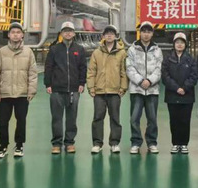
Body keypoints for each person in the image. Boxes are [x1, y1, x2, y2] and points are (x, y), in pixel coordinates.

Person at [0, 22, 38, 159]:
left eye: (18, 32)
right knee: (3, 122)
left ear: (22, 35)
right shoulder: (1, 52)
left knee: (21, 121)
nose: (15, 35)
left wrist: (31, 91)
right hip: (4, 94)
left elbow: (32, 73)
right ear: (8, 35)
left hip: (22, 93)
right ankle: (3, 146)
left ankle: (19, 145)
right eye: (13, 32)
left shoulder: (28, 52)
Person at [44, 21, 87, 154]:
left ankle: (69, 142)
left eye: (70, 31)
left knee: (71, 118)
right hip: (57, 89)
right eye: (65, 31)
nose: (68, 33)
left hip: (74, 89)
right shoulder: (54, 49)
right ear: (61, 33)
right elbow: (48, 67)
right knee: (56, 118)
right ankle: (56, 143)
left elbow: (83, 68)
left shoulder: (79, 49)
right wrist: (48, 84)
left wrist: (81, 83)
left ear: (74, 33)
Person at [87, 25, 128, 154]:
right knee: (98, 118)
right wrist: (91, 87)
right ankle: (97, 143)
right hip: (99, 91)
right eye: (107, 33)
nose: (109, 35)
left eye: (112, 33)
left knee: (115, 118)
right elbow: (91, 71)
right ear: (103, 36)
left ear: (116, 36)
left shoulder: (122, 53)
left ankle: (114, 143)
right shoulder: (96, 53)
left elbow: (124, 71)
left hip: (115, 91)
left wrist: (123, 87)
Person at [126, 21, 163, 154]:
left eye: (149, 32)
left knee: (152, 119)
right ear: (140, 33)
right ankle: (136, 142)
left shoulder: (157, 50)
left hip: (152, 90)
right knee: (134, 118)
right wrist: (141, 81)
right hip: (136, 89)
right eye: (144, 31)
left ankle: (151, 143)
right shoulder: (132, 49)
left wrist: (150, 81)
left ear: (152, 34)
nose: (146, 34)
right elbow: (129, 68)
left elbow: (159, 68)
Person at [162, 32, 198, 154]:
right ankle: (175, 143)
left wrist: (184, 88)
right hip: (172, 95)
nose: (179, 44)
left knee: (185, 120)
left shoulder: (191, 59)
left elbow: (194, 76)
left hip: (187, 96)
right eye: (177, 42)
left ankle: (183, 144)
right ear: (174, 44)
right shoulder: (167, 59)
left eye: (182, 42)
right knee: (174, 120)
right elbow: (165, 76)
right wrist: (176, 88)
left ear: (185, 44)